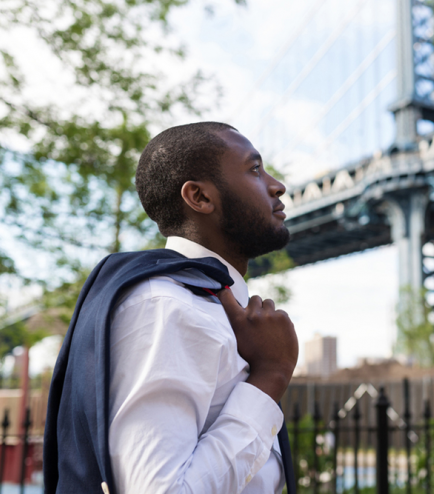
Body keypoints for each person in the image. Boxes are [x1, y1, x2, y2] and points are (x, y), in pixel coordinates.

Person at [43, 122, 299, 494]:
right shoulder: (166, 305)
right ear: (199, 197)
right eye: (255, 169)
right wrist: (270, 376)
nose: (277, 185)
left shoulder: (201, 300)